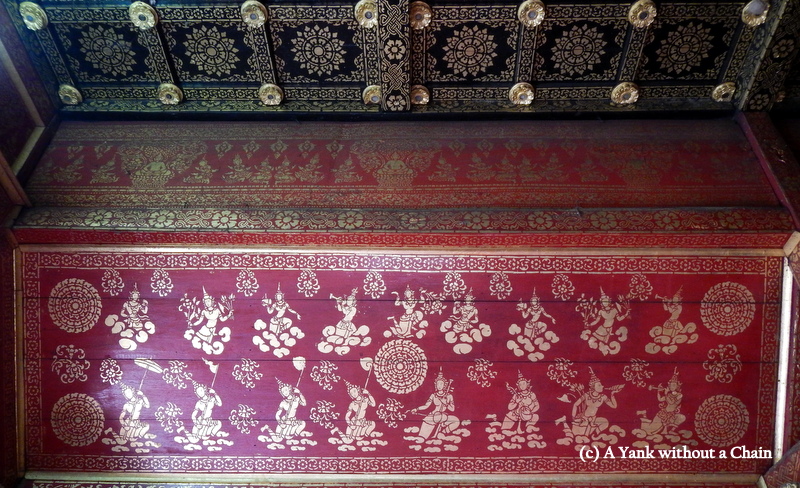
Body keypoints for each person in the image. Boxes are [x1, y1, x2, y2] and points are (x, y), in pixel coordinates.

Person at [411, 369, 460, 440]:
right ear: (435, 385)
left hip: (443, 417)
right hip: (433, 416)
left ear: (445, 385)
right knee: (422, 438)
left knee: (456, 421)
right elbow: (426, 406)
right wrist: (417, 409)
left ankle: (442, 433)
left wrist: (445, 403)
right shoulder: (433, 395)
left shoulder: (449, 396)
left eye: (441, 384)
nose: (439, 385)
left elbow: (452, 409)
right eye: (438, 384)